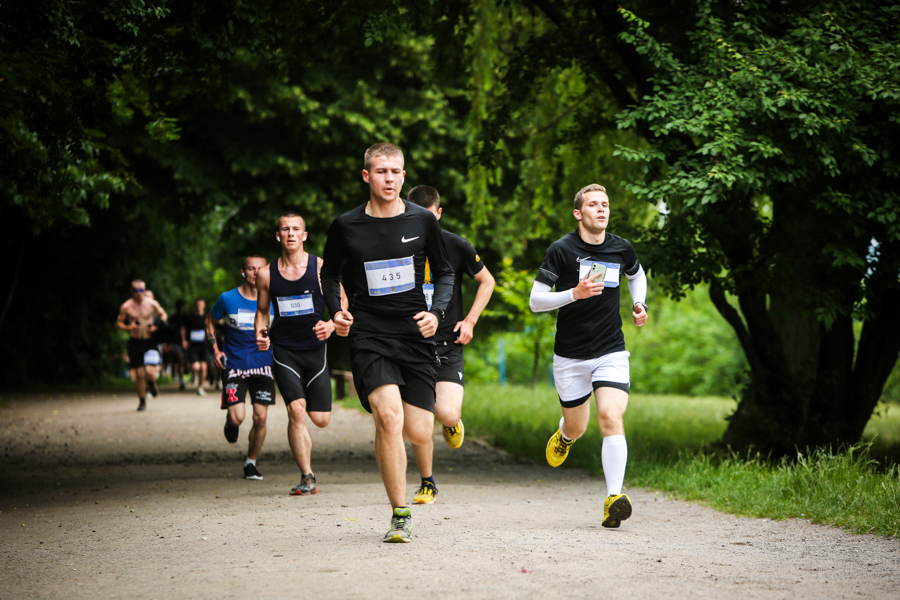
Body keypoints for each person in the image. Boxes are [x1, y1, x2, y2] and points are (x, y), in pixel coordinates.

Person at [321, 143, 454, 543]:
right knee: (388, 418)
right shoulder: (346, 225)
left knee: (419, 431)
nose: (389, 179)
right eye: (381, 171)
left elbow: (445, 272)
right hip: (369, 333)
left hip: (413, 334)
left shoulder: (422, 220)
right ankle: (400, 514)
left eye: (396, 172)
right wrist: (336, 311)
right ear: (367, 176)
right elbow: (330, 275)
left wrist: (437, 313)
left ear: (404, 175)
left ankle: (402, 450)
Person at [529, 183, 648, 529]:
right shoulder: (561, 250)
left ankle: (614, 498)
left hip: (610, 350)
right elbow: (536, 301)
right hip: (570, 356)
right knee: (577, 426)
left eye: (605, 204)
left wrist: (640, 303)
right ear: (578, 213)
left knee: (610, 416)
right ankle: (565, 436)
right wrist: (574, 294)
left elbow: (636, 275)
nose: (601, 209)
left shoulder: (621, 248)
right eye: (593, 204)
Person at [406, 185, 495, 505]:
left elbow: (487, 281)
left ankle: (452, 422)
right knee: (419, 422)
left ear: (439, 214)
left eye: (429, 219)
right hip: (412, 345)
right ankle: (427, 483)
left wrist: (470, 320)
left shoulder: (456, 245)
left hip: (447, 343)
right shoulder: (399, 246)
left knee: (446, 412)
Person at [255, 212, 345, 495]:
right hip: (284, 351)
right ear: (278, 235)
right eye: (285, 229)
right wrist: (260, 333)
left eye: (296, 229)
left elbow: (342, 302)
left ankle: (307, 461)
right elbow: (261, 311)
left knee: (320, 419)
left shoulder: (320, 267)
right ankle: (307, 476)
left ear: (304, 235)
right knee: (296, 411)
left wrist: (331, 325)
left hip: (316, 350)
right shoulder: (265, 274)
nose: (291, 233)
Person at [208, 255, 275, 480]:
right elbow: (209, 322)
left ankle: (251, 462)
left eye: (260, 269)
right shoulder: (227, 299)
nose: (255, 273)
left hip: (263, 364)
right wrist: (216, 350)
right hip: (235, 365)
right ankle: (231, 423)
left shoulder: (274, 300)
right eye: (251, 268)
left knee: (260, 418)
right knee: (238, 417)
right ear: (243, 272)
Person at [116, 280, 169, 411]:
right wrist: (129, 327)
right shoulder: (126, 306)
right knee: (139, 374)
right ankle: (142, 400)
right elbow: (119, 323)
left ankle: (151, 383)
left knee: (150, 372)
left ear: (144, 290)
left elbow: (163, 315)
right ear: (131, 291)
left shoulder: (151, 304)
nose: (139, 293)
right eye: (136, 290)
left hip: (149, 341)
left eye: (141, 290)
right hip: (135, 342)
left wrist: (156, 326)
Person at [182, 298, 211, 396]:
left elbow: (211, 327)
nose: (199, 307)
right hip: (193, 345)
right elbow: (183, 328)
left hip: (204, 345)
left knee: (203, 367)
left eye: (201, 305)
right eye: (197, 305)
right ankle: (194, 375)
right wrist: (183, 340)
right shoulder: (189, 317)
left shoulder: (207, 317)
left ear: (204, 306)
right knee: (196, 367)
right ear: (195, 305)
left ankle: (200, 387)